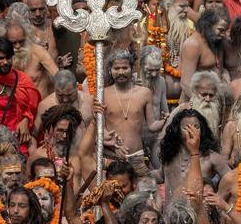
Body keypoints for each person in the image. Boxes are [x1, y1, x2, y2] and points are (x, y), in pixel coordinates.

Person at [91, 49, 165, 178]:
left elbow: (152, 125)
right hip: (111, 156)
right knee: (111, 190)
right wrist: (110, 141)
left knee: (144, 189)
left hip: (137, 157)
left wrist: (165, 120)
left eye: (125, 68)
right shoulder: (102, 94)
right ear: (110, 70)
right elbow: (97, 126)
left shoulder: (144, 93)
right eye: (116, 68)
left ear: (132, 68)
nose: (121, 72)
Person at [0, 37, 42, 150]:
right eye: (0, 58)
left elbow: (32, 107)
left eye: (8, 58)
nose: (5, 62)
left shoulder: (22, 79)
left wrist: (26, 120)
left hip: (18, 139)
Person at [158, 108, 230, 207]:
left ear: (202, 130)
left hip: (199, 213)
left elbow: (231, 179)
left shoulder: (212, 157)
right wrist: (145, 177)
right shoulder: (170, 154)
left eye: (196, 127)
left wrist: (215, 190)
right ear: (177, 130)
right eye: (186, 128)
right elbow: (160, 175)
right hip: (171, 213)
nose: (192, 131)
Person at [4, 5, 59, 98]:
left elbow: (57, 76)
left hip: (41, 104)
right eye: (13, 43)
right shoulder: (2, 57)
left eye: (21, 41)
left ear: (26, 36)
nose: (17, 46)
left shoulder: (38, 51)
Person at [179, 7, 231, 100]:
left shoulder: (217, 40)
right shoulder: (193, 45)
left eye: (225, 30)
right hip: (196, 100)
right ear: (208, 25)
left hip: (215, 99)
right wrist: (201, 102)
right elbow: (185, 83)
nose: (223, 34)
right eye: (220, 30)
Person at [34, 70, 93, 149]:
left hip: (84, 153)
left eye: (69, 95)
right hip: (55, 154)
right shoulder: (45, 105)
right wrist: (34, 153)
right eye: (60, 95)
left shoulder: (89, 101)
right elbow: (33, 135)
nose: (65, 100)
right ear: (54, 89)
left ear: (77, 86)